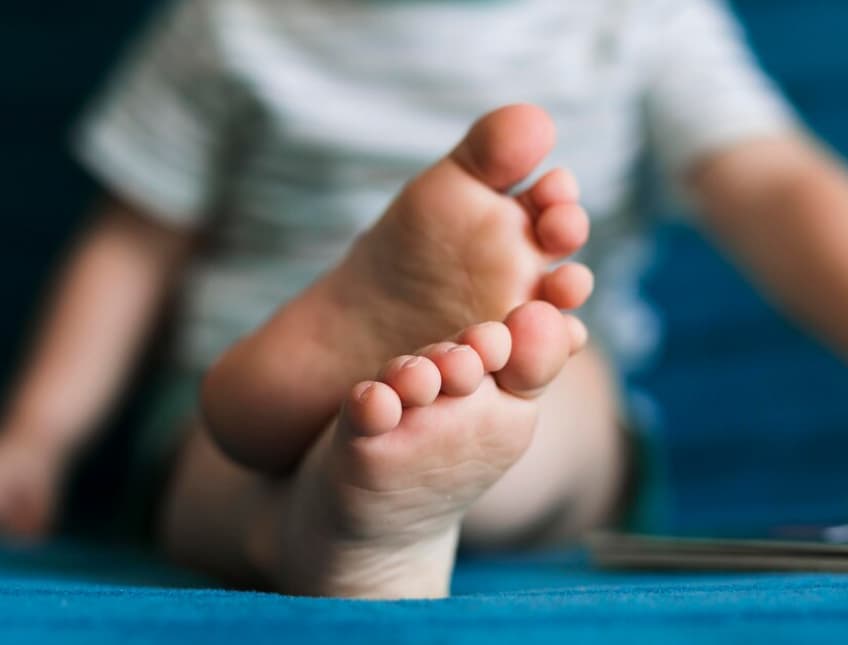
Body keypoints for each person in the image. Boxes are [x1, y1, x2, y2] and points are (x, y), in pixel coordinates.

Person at [3, 0, 848, 598]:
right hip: (247, 392)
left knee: (538, 391)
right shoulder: (229, 19)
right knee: (226, 450)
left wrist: (34, 433)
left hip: (525, 368)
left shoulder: (639, 16)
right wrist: (37, 433)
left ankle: (339, 513)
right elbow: (130, 249)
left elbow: (771, 187)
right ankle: (357, 495)